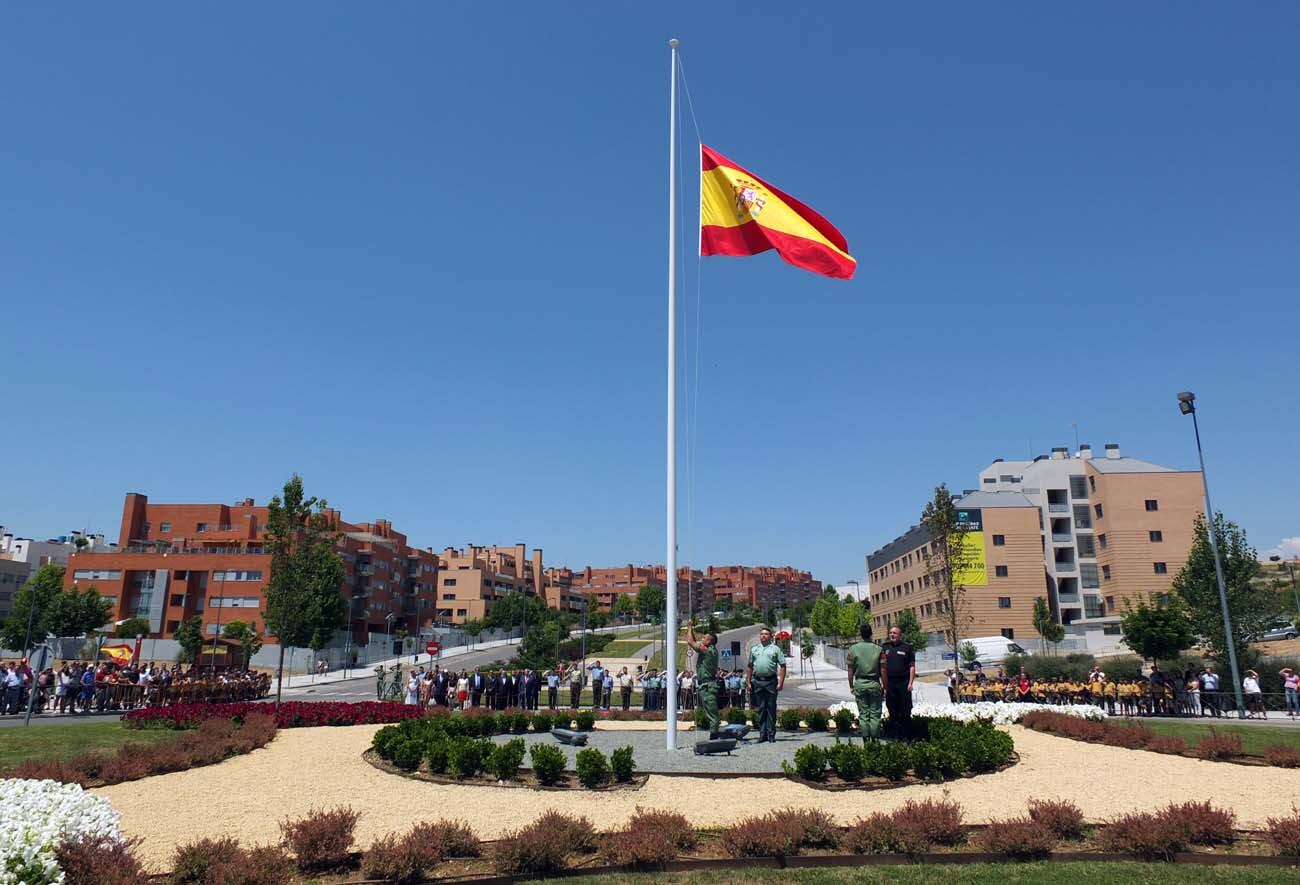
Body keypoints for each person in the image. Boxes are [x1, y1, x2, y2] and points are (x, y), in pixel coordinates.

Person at [845, 623, 885, 743]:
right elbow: (883, 669)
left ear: (861, 634)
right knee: (875, 714)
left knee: (863, 714)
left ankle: (866, 740)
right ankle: (875, 739)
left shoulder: (852, 650)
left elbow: (850, 671)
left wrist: (851, 686)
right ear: (871, 634)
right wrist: (885, 685)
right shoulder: (879, 649)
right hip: (874, 684)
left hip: (860, 683)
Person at [745, 626, 786, 743]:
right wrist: (748, 681)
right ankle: (762, 735)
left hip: (771, 682)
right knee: (761, 709)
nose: (763, 636)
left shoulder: (775, 649)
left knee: (771, 708)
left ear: (770, 636)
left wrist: (781, 682)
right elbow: (750, 666)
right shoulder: (754, 649)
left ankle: (771, 734)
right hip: (757, 681)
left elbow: (783, 666)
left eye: (766, 634)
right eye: (762, 634)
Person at [686, 620, 720, 738]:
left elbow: (691, 642)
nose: (702, 638)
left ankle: (714, 737)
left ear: (710, 641)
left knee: (712, 712)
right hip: (707, 685)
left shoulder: (708, 650)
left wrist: (689, 627)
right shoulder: (710, 650)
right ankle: (714, 734)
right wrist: (692, 630)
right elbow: (694, 642)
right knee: (710, 711)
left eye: (705, 637)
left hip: (708, 686)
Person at [882, 626, 915, 738]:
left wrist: (910, 683)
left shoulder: (907, 648)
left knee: (905, 709)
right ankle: (894, 734)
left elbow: (912, 667)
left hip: (903, 683)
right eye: (890, 633)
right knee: (892, 709)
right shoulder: (885, 647)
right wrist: (884, 685)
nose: (892, 635)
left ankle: (907, 735)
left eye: (895, 633)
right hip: (890, 684)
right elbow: (882, 667)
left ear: (900, 635)